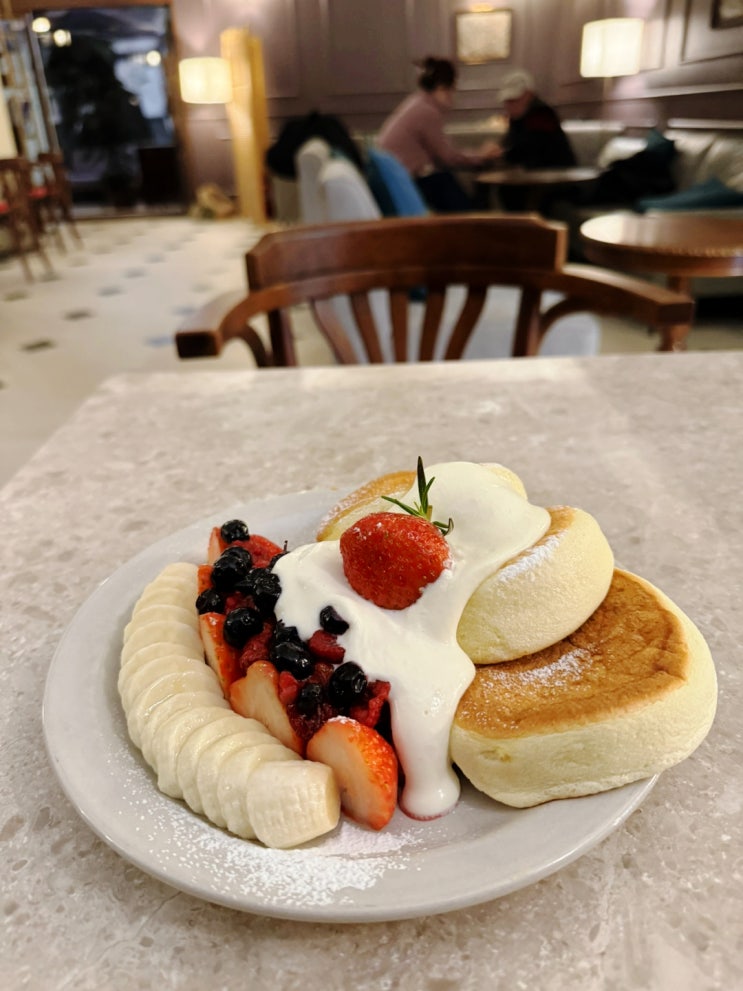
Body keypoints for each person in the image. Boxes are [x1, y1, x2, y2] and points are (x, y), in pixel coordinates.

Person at [377, 56, 500, 212]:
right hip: (406, 183)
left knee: (444, 181)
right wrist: (481, 156)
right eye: (452, 89)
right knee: (446, 183)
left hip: (394, 181)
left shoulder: (417, 102)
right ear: (442, 88)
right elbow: (448, 157)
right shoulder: (428, 111)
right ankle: (471, 224)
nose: (453, 96)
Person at [489, 69, 577, 211]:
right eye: (507, 101)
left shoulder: (542, 114)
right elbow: (512, 144)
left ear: (529, 95)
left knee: (511, 192)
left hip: (555, 181)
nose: (509, 105)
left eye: (513, 100)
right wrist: (498, 150)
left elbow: (532, 150)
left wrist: (503, 153)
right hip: (533, 179)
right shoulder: (517, 117)